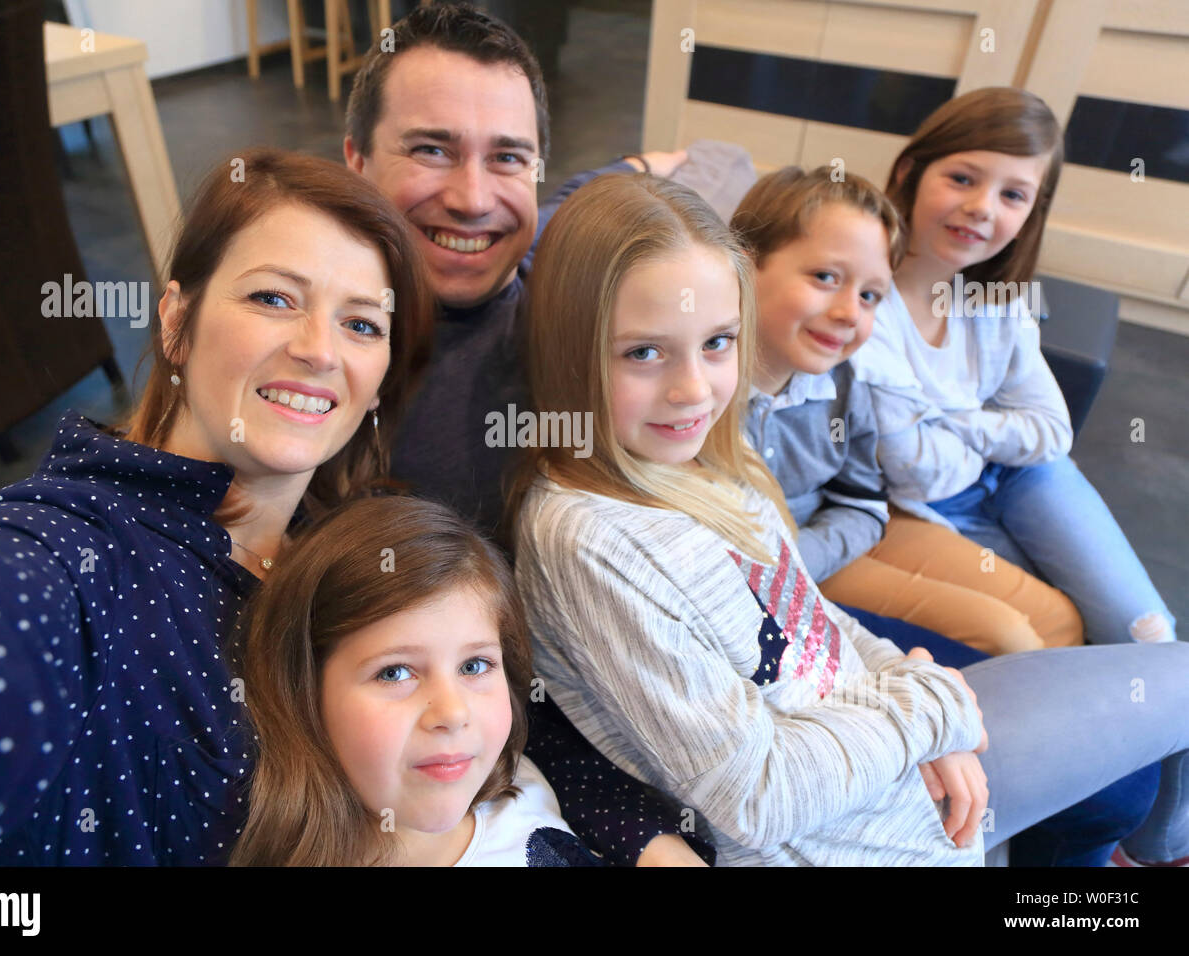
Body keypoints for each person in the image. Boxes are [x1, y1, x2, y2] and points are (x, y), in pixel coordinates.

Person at [508, 170, 1189, 865]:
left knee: (1153, 710)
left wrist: (911, 691)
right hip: (845, 835)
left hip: (882, 766)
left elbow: (813, 620)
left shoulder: (714, 450)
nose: (693, 390)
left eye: (717, 343)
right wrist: (926, 711)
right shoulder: (585, 534)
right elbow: (757, 795)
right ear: (572, 349)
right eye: (643, 352)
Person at [0, 148, 436, 864]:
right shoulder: (75, 556)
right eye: (273, 298)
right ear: (177, 321)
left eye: (361, 324)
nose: (318, 350)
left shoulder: (344, 539)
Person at [341, 0, 706, 866]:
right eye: (430, 149)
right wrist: (644, 835)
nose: (472, 198)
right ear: (354, 162)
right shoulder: (330, 382)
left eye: (506, 157)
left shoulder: (580, 308)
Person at [849, 86, 1176, 647]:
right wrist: (995, 425)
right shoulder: (861, 303)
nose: (983, 208)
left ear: (1030, 213)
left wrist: (951, 419)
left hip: (1023, 475)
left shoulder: (998, 298)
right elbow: (915, 472)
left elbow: (1050, 432)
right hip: (925, 503)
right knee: (1056, 634)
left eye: (1014, 195)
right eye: (962, 179)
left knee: (1146, 634)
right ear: (908, 172)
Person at [732, 165, 1082, 655]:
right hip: (777, 571)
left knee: (1058, 621)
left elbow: (862, 500)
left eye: (870, 295)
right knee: (1010, 639)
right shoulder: (699, 396)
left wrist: (821, 546)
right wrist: (803, 558)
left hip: (833, 539)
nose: (848, 312)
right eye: (825, 277)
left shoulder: (843, 378)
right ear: (744, 265)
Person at [231, 495, 600, 866]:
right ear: (304, 692)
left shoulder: (525, 786)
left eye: (473, 666)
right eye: (395, 673)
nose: (453, 713)